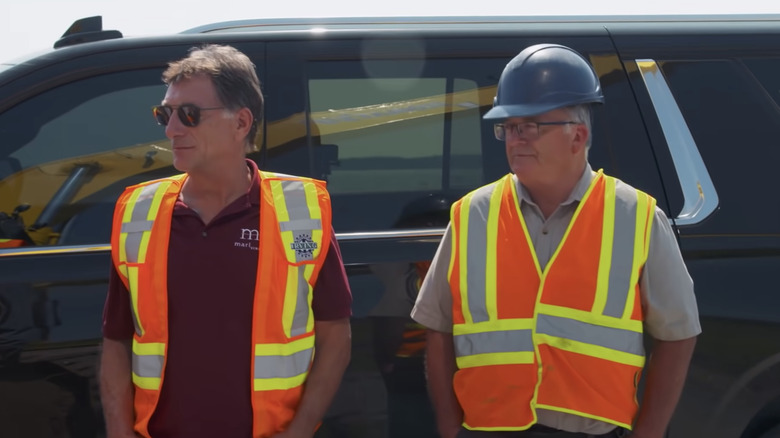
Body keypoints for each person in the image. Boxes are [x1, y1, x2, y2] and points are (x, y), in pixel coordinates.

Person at [411, 44, 700, 438]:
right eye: (508, 127)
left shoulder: (637, 216)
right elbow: (438, 329)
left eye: (529, 126)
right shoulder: (471, 215)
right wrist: (449, 429)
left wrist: (648, 433)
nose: (515, 139)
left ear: (577, 136)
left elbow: (678, 334)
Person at [100, 44, 352, 438]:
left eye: (190, 115)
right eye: (164, 114)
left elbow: (335, 334)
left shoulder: (300, 211)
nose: (171, 130)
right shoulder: (138, 211)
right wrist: (118, 430)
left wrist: (300, 431)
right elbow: (116, 338)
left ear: (241, 123)